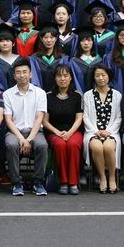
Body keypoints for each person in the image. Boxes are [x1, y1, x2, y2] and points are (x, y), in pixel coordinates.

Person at [2, 58, 49, 196]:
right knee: (11, 144)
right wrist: (22, 139)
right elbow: (8, 120)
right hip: (15, 132)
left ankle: (38, 182)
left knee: (42, 145)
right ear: (14, 75)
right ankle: (16, 182)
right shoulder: (7, 94)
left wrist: (29, 139)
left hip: (35, 131)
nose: (22, 75)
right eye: (18, 72)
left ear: (31, 74)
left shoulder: (40, 93)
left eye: (25, 72)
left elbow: (39, 118)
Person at [43, 63, 84, 194]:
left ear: (71, 78)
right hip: (54, 132)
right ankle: (63, 182)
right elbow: (44, 121)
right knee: (60, 145)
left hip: (74, 131)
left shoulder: (77, 95)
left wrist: (70, 133)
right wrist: (57, 132)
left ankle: (73, 182)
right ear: (55, 78)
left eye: (66, 75)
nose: (62, 79)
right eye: (59, 76)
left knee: (73, 145)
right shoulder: (48, 96)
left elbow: (79, 118)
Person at [83, 65, 123, 193]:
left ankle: (112, 177)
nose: (101, 78)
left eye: (103, 75)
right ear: (94, 78)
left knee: (109, 147)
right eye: (97, 75)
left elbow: (119, 117)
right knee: (96, 147)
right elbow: (85, 116)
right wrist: (96, 131)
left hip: (111, 132)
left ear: (109, 76)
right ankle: (102, 177)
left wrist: (108, 131)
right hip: (92, 132)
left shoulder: (117, 95)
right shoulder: (88, 95)